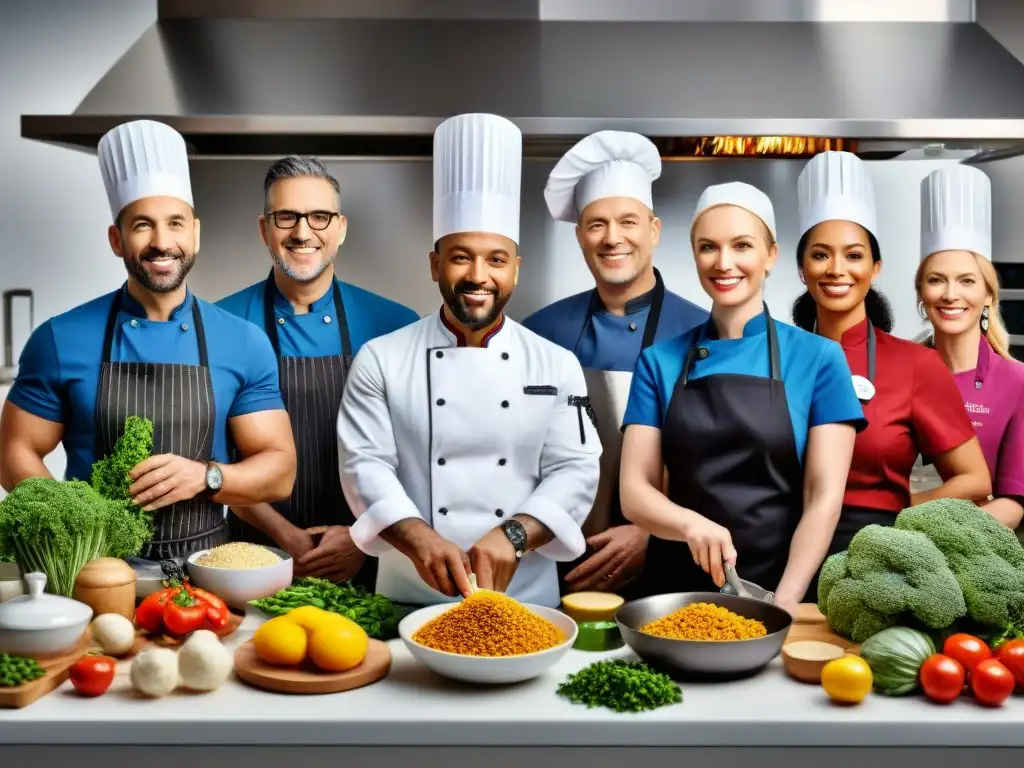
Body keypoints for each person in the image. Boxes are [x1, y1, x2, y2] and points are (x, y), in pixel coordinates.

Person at [0, 120, 296, 561]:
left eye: (175, 223)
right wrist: (82, 529)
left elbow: (279, 471)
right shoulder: (60, 338)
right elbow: (14, 453)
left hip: (205, 580)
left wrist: (206, 477)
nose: (162, 242)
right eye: (143, 225)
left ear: (194, 233)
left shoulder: (242, 341)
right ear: (117, 239)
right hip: (94, 575)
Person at [337, 113, 601, 607]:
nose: (478, 275)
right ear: (436, 263)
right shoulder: (381, 359)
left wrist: (516, 535)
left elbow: (576, 469)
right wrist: (418, 537)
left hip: (523, 597)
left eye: (496, 259)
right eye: (460, 257)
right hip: (409, 594)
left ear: (515, 270)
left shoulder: (556, 363)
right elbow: (364, 465)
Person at [619, 181, 864, 617]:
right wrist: (691, 524)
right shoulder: (659, 361)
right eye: (708, 247)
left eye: (742, 245)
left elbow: (823, 495)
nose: (724, 262)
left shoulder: (819, 358)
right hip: (672, 592)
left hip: (775, 585)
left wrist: (785, 600)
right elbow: (635, 493)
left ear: (770, 255)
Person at [217, 156, 419, 587]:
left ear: (341, 228)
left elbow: (418, 459)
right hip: (254, 557)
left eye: (319, 217)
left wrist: (363, 538)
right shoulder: (220, 325)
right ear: (264, 229)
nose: (303, 232)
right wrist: (285, 536)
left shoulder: (398, 325)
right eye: (286, 216)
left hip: (371, 560)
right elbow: (212, 460)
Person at [522, 131, 707, 597]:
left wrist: (655, 531)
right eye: (596, 224)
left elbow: (722, 462)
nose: (612, 238)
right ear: (580, 235)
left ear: (654, 230)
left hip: (669, 565)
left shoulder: (705, 333)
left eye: (628, 221)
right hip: (552, 562)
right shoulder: (537, 332)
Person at [789, 151, 991, 578]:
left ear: (875, 268)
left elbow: (974, 480)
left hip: (871, 559)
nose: (837, 269)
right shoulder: (775, 358)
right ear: (802, 269)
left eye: (854, 255)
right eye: (821, 255)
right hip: (774, 544)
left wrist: (898, 515)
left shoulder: (917, 364)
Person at [916, 164, 1023, 529]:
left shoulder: (1017, 381)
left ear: (987, 295)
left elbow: (1013, 501)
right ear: (922, 293)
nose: (950, 294)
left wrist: (937, 542)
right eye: (936, 280)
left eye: (966, 281)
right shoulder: (894, 368)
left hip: (976, 545)